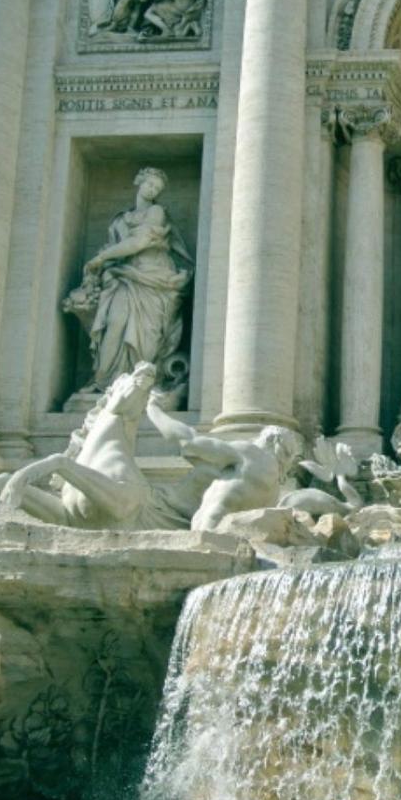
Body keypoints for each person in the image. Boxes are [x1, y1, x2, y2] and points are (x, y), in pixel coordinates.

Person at [65, 167, 192, 392]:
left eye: (157, 188)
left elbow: (138, 243)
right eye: (150, 184)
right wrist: (104, 263)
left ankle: (138, 385)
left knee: (147, 335)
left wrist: (102, 257)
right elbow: (117, 246)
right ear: (138, 182)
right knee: (114, 324)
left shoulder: (156, 212)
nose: (153, 190)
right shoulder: (120, 219)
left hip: (154, 279)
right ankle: (104, 381)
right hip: (124, 277)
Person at [145, 395, 292, 532]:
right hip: (226, 536)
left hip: (209, 530)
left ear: (270, 439)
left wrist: (153, 409)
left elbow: (191, 443)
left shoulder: (252, 453)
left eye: (257, 438)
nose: (253, 440)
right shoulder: (274, 491)